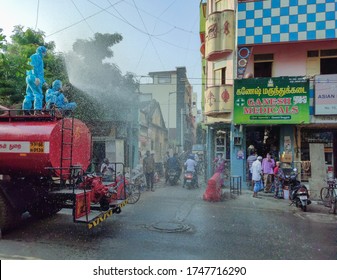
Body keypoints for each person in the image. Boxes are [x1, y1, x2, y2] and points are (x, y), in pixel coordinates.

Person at [22, 46, 47, 115]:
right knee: (38, 94)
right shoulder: (37, 57)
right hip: (34, 78)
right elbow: (34, 67)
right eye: (44, 52)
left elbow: (40, 73)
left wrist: (44, 81)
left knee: (29, 94)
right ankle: (37, 110)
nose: (45, 54)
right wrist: (36, 77)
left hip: (30, 77)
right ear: (42, 52)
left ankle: (26, 111)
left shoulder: (36, 57)